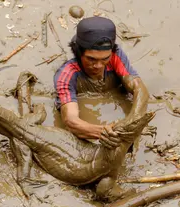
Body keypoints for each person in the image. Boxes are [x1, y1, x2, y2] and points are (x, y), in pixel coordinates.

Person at [54, 16, 149, 149]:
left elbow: (139, 89)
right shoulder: (66, 74)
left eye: (105, 59)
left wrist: (132, 121)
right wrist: (105, 133)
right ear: (79, 52)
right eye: (91, 59)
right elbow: (71, 121)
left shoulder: (116, 56)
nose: (98, 65)